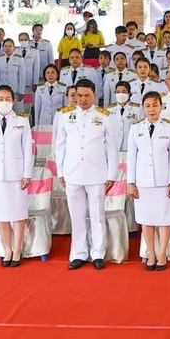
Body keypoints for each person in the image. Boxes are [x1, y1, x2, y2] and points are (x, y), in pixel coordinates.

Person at [53, 82, 120, 270]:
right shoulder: (66, 115)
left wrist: (111, 174)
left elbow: (112, 148)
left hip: (96, 173)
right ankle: (79, 253)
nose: (82, 99)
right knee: (77, 215)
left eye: (86, 95)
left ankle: (98, 252)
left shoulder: (104, 116)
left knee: (97, 214)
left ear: (95, 95)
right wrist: (61, 171)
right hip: (72, 172)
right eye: (79, 95)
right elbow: (60, 145)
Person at [127, 90, 170, 271]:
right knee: (146, 219)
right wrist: (130, 182)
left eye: (155, 105)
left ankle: (162, 253)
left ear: (161, 106)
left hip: (163, 180)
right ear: (143, 107)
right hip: (143, 181)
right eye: (148, 106)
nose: (151, 109)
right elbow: (131, 157)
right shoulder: (135, 128)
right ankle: (151, 253)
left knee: (165, 219)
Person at [0, 85, 35, 268]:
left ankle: (18, 249)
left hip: (16, 174)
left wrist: (27, 173)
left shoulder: (22, 120)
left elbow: (28, 149)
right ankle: (7, 250)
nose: (4, 102)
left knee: (18, 214)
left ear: (13, 101)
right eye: (0, 99)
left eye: (8, 99)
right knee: (0, 214)